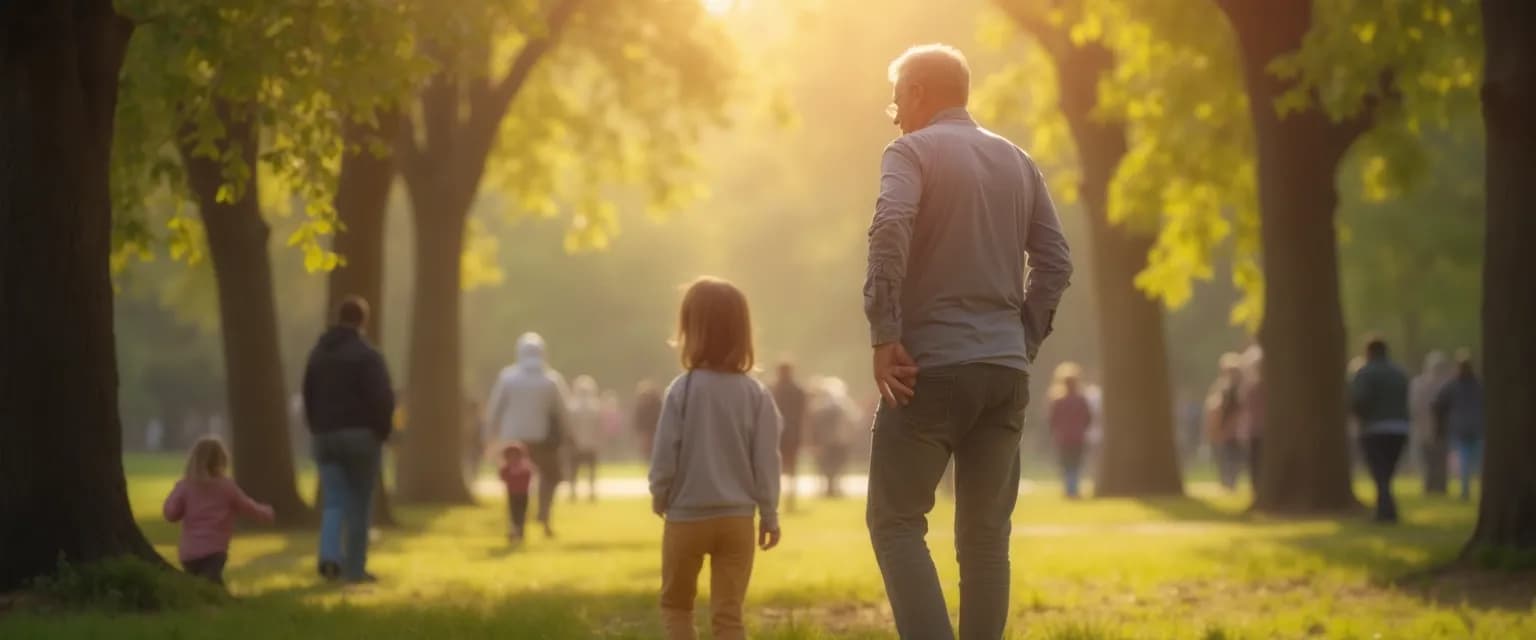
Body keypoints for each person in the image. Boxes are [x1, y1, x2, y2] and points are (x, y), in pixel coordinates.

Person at [864, 44, 1072, 640]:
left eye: (898, 99)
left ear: (920, 92)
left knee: (896, 521)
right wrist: (1021, 340)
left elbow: (890, 228)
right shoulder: (1018, 161)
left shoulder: (909, 152)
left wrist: (884, 331)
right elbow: (1056, 262)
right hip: (1004, 373)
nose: (896, 113)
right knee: (984, 540)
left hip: (927, 367)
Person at [649, 277, 783, 640]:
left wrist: (660, 494)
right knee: (729, 617)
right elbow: (767, 461)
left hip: (686, 516)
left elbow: (665, 455)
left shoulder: (684, 389)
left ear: (690, 330)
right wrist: (769, 513)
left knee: (677, 606)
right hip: (738, 519)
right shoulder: (756, 394)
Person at [302, 296, 395, 582]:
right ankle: (355, 569)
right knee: (359, 503)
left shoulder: (318, 353)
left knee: (333, 501)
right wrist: (382, 432)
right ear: (363, 321)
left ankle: (329, 556)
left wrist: (316, 427)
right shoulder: (368, 354)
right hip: (360, 436)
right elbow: (382, 397)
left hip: (325, 435)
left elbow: (308, 394)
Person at [485, 332, 571, 539]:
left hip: (513, 439)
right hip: (543, 439)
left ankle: (517, 525)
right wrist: (568, 434)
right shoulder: (551, 379)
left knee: (515, 483)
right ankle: (544, 515)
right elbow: (563, 411)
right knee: (549, 477)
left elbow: (495, 409)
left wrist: (489, 434)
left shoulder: (508, 377)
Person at [162, 437, 275, 586]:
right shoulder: (226, 487)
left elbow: (170, 514)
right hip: (214, 551)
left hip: (188, 553)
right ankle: (219, 605)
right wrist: (266, 513)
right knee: (211, 583)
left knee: (203, 584)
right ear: (222, 460)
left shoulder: (185, 486)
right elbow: (247, 507)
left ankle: (210, 604)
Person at [1350, 338, 1411, 524]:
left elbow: (1359, 399)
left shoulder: (1365, 373)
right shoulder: (1400, 373)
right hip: (1400, 428)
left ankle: (1385, 511)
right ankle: (1386, 509)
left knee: (1379, 472)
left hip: (1374, 428)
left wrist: (1359, 415)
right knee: (1387, 472)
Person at [1433, 353, 1484, 501]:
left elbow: (1438, 405)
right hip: (1469, 428)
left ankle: (1467, 489)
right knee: (1468, 460)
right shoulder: (1478, 385)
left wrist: (1440, 426)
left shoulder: (1454, 385)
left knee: (1468, 461)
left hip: (1466, 428)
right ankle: (1466, 489)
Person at [1410, 350, 1454, 495]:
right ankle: (1435, 485)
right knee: (1434, 458)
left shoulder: (1421, 383)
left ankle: (1435, 486)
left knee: (1434, 458)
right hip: (1434, 427)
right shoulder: (1446, 384)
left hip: (1434, 427)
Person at [1047, 363, 1093, 499]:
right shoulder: (1081, 399)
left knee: (1066, 464)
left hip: (1062, 437)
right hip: (1078, 437)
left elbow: (1052, 420)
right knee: (1076, 464)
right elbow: (1089, 418)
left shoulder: (1057, 401)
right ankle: (1073, 489)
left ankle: (1069, 490)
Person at [809, 377, 858, 499]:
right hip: (840, 440)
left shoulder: (820, 406)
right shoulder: (845, 404)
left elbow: (815, 423)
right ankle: (833, 489)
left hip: (829, 441)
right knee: (836, 466)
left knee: (828, 467)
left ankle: (830, 489)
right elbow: (853, 421)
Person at [1203, 353, 1246, 492]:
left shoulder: (1237, 388)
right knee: (1225, 457)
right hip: (1222, 428)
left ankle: (1229, 483)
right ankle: (1227, 483)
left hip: (1232, 429)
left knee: (1231, 457)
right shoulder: (1221, 386)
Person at [771, 362, 808, 511]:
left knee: (776, 468)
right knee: (792, 468)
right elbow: (804, 415)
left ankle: (776, 500)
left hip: (778, 434)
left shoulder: (774, 389)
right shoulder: (798, 390)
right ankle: (790, 501)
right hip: (793, 434)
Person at [566, 375, 602, 502]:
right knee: (590, 470)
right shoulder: (595, 406)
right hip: (591, 444)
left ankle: (573, 493)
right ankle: (591, 493)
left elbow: (569, 427)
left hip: (576, 443)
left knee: (574, 470)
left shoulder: (572, 406)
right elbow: (599, 427)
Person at [498, 441, 537, 543]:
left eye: (516, 455)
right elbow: (502, 476)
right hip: (512, 494)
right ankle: (514, 530)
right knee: (513, 513)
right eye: (511, 456)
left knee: (522, 514)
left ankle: (520, 532)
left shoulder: (525, 467)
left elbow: (530, 476)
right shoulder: (507, 467)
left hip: (523, 494)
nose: (513, 458)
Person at [1241, 346, 1266, 489]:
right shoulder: (1252, 387)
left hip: (1259, 430)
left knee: (1257, 462)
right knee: (1255, 462)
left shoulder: (1253, 387)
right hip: (1255, 430)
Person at [634, 380, 664, 459]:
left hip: (655, 430)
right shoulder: (640, 406)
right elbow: (638, 419)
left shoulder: (658, 404)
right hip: (646, 431)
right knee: (646, 449)